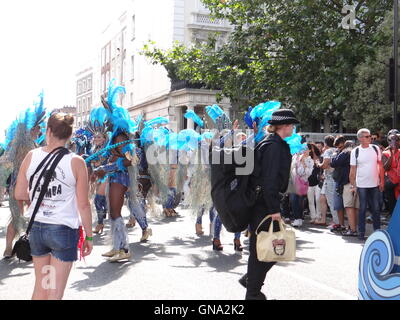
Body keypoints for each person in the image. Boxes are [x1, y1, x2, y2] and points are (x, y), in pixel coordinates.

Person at [14, 113, 93, 300]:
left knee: (42, 288)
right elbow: (83, 204)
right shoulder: (76, 162)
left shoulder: (31, 156)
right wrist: (89, 236)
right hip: (62, 231)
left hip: (38, 230)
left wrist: (37, 196)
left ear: (48, 131)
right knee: (54, 292)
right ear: (70, 136)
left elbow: (19, 194)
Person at [243, 109, 296, 300]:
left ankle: (251, 283)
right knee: (266, 250)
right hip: (264, 205)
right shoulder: (273, 146)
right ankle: (253, 293)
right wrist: (274, 209)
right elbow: (269, 180)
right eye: (292, 125)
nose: (293, 128)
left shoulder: (272, 143)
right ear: (284, 126)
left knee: (265, 249)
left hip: (262, 202)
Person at [350, 128, 384, 241]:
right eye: (368, 136)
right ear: (360, 138)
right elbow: (352, 170)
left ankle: (377, 232)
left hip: (375, 184)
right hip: (361, 184)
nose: (370, 138)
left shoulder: (375, 148)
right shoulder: (355, 151)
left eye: (370, 136)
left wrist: (382, 181)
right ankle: (361, 233)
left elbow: (380, 166)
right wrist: (353, 185)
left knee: (376, 208)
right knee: (363, 208)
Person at [330, 136, 352, 234]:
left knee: (348, 205)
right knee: (338, 205)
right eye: (337, 148)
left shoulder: (347, 152)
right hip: (339, 180)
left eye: (340, 147)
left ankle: (351, 226)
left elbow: (335, 162)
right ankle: (342, 225)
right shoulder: (340, 153)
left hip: (347, 181)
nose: (339, 149)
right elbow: (333, 163)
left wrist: (336, 155)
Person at [316, 135, 339, 228]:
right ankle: (325, 219)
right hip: (331, 177)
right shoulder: (336, 150)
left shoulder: (328, 151)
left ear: (325, 143)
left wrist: (318, 164)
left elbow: (325, 165)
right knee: (322, 198)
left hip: (330, 178)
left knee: (331, 201)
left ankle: (336, 222)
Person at [290, 147, 313, 227]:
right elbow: (292, 169)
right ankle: (297, 218)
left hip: (302, 182)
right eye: (302, 149)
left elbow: (307, 173)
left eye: (306, 149)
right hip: (293, 182)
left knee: (300, 201)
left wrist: (303, 163)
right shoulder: (295, 157)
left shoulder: (310, 160)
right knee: (293, 200)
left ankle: (299, 218)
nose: (303, 151)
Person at [382, 130, 400, 218]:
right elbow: (386, 167)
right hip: (392, 182)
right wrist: (391, 155)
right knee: (393, 203)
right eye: (392, 140)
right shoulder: (385, 153)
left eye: (397, 140)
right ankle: (394, 217)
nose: (395, 142)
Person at [307, 143, 322, 224]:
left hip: (318, 182)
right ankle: (313, 217)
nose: (311, 150)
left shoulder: (320, 158)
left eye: (312, 148)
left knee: (318, 199)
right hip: (309, 182)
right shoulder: (308, 158)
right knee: (310, 200)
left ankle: (318, 216)